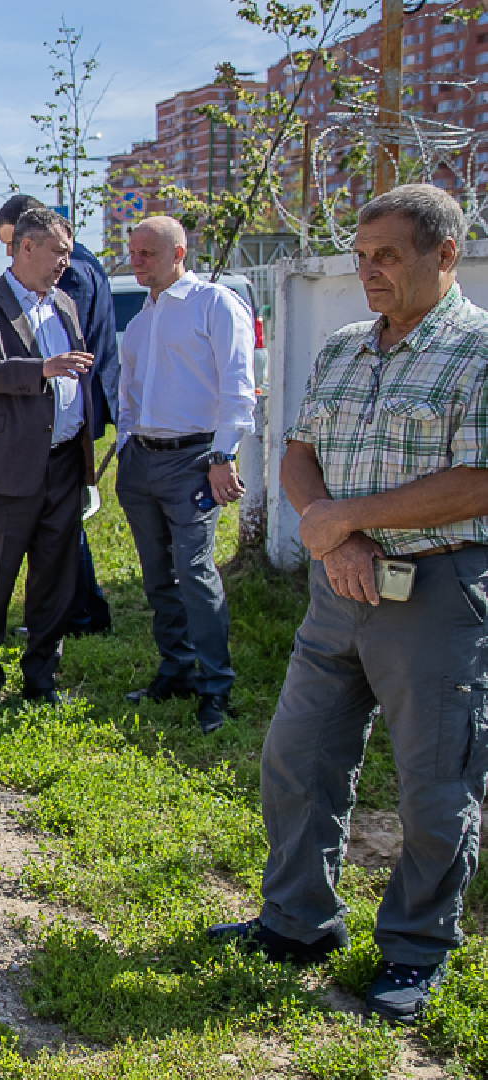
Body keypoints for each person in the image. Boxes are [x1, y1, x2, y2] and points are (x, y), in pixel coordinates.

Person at [209, 185, 488, 1025]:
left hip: (436, 595)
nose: (366, 272)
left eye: (387, 256)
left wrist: (351, 518)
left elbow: (477, 482)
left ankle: (414, 949)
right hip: (339, 588)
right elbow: (297, 452)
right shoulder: (340, 347)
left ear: (444, 254)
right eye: (359, 257)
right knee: (295, 760)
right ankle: (297, 923)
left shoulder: (476, 350)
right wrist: (338, 537)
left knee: (434, 790)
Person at [114, 217, 256, 734]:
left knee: (195, 573)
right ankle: (175, 669)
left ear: (179, 253)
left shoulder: (213, 304)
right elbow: (131, 394)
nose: (137, 261)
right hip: (142, 462)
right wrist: (128, 448)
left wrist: (224, 456)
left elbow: (239, 388)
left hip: (194, 462)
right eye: (133, 252)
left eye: (147, 252)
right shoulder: (142, 320)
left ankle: (216, 685)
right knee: (158, 576)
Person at [0, 207, 95, 709]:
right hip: (5, 466)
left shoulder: (66, 304)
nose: (64, 264)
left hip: (63, 465)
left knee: (55, 578)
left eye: (68, 255)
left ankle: (41, 679)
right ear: (26, 248)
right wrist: (43, 369)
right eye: (57, 253)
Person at [0, 194, 116, 637]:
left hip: (65, 417)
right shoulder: (83, 262)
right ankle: (81, 610)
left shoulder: (71, 274)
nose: (10, 256)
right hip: (61, 415)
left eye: (13, 244)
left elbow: (58, 346)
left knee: (63, 525)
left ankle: (79, 614)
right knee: (64, 521)